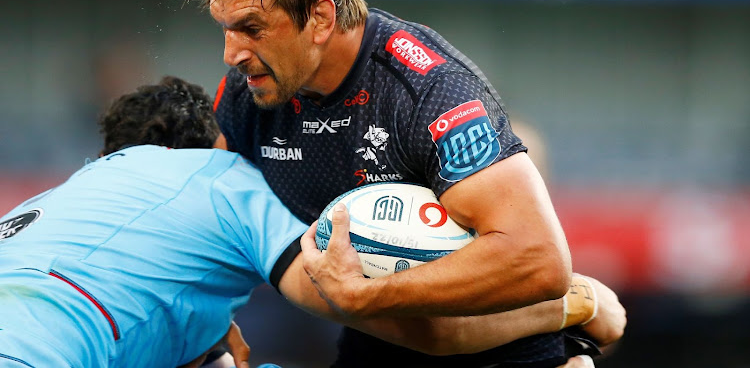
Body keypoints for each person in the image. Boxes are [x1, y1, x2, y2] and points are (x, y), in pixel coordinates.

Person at [191, 0, 624, 367]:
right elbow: (216, 222)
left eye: (252, 29)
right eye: (226, 29)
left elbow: (540, 259)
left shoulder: (429, 94)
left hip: (506, 356)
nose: (231, 53)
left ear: (320, 19)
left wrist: (371, 294)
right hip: (380, 348)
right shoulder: (247, 94)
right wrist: (212, 329)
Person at [0, 76, 624, 368]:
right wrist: (578, 306)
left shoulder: (56, 198)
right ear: (221, 144)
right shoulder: (223, 179)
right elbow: (406, 325)